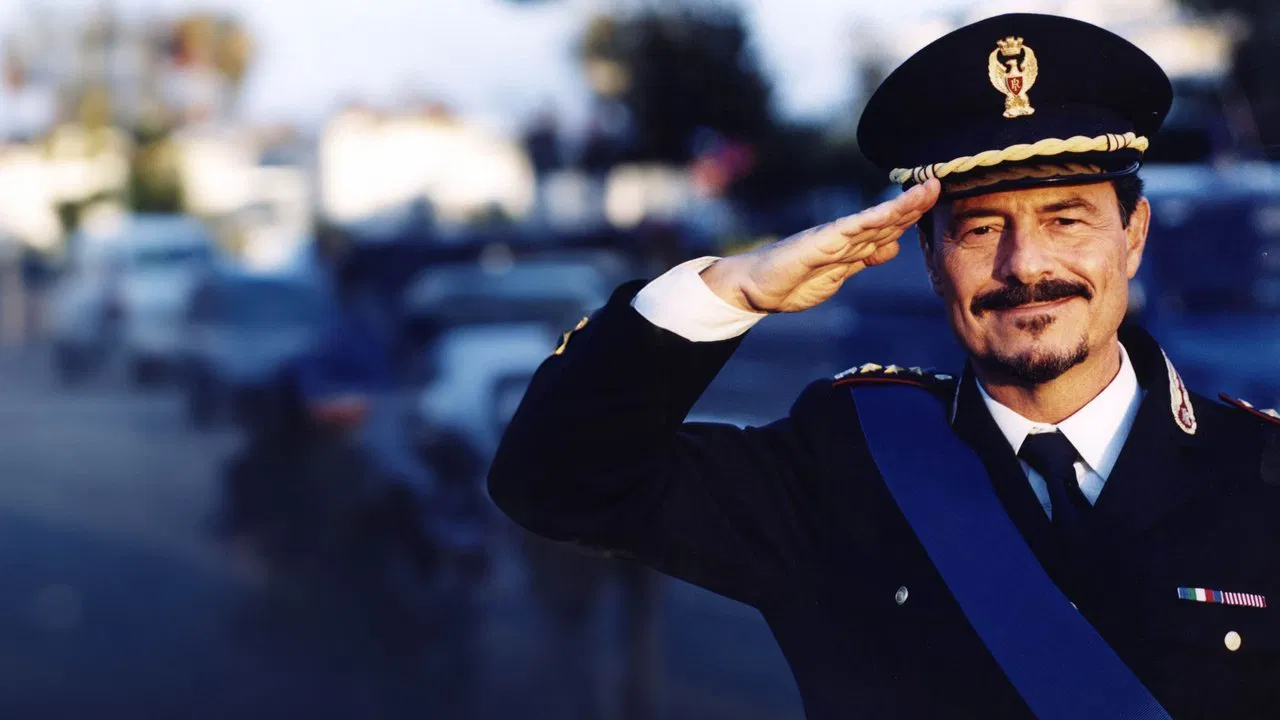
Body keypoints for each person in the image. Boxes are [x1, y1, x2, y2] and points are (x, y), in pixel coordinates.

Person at [488, 13, 1280, 720]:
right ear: (930, 260)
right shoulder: (844, 465)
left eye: (1066, 219)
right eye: (979, 230)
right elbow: (554, 482)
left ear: (1133, 236)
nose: (1025, 265)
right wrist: (734, 288)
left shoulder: (1262, 475)